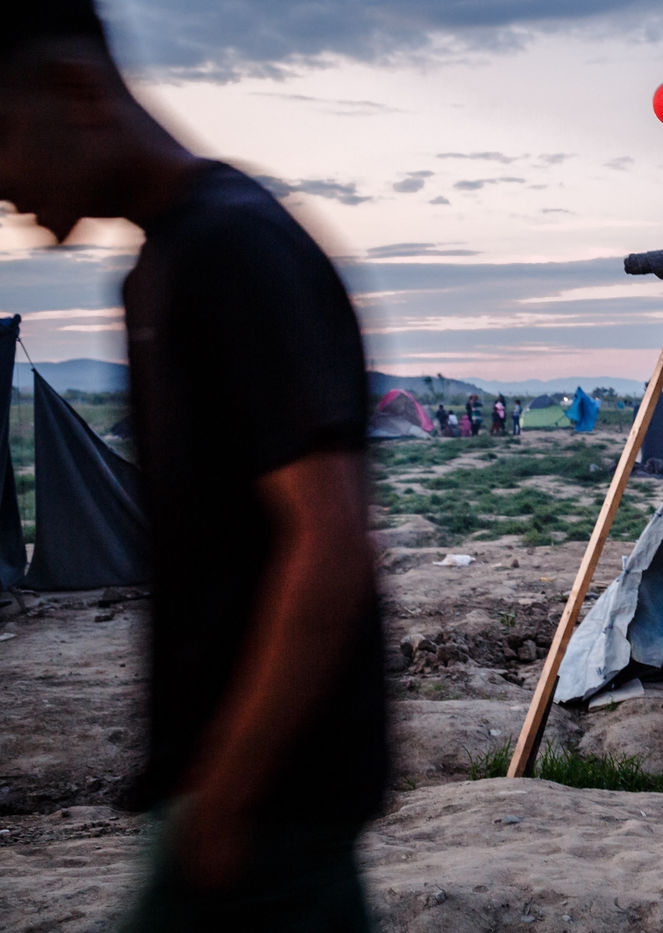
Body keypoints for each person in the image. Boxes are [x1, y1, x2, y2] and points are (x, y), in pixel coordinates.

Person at [0, 5, 387, 929]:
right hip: (231, 797)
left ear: (77, 92)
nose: (4, 182)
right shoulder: (164, 264)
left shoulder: (233, 246)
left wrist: (226, 794)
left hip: (267, 806)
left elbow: (328, 540)